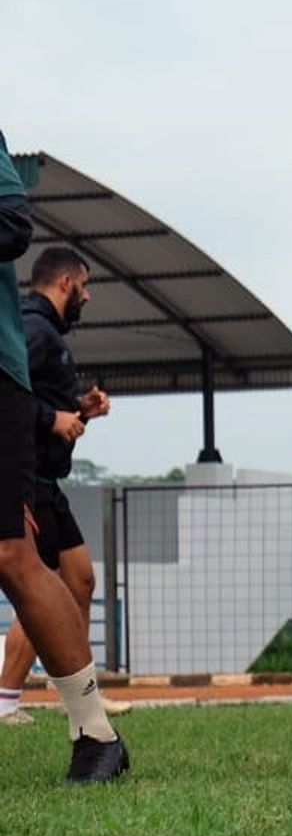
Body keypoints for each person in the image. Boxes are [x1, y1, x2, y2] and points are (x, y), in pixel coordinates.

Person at [0, 128, 127, 782]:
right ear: (71, 281)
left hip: (43, 475)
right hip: (40, 478)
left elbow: (45, 405)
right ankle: (16, 698)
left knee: (55, 575)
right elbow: (37, 402)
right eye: (88, 286)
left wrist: (73, 411)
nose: (90, 297)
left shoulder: (36, 332)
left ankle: (85, 719)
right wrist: (61, 414)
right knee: (45, 575)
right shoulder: (34, 327)